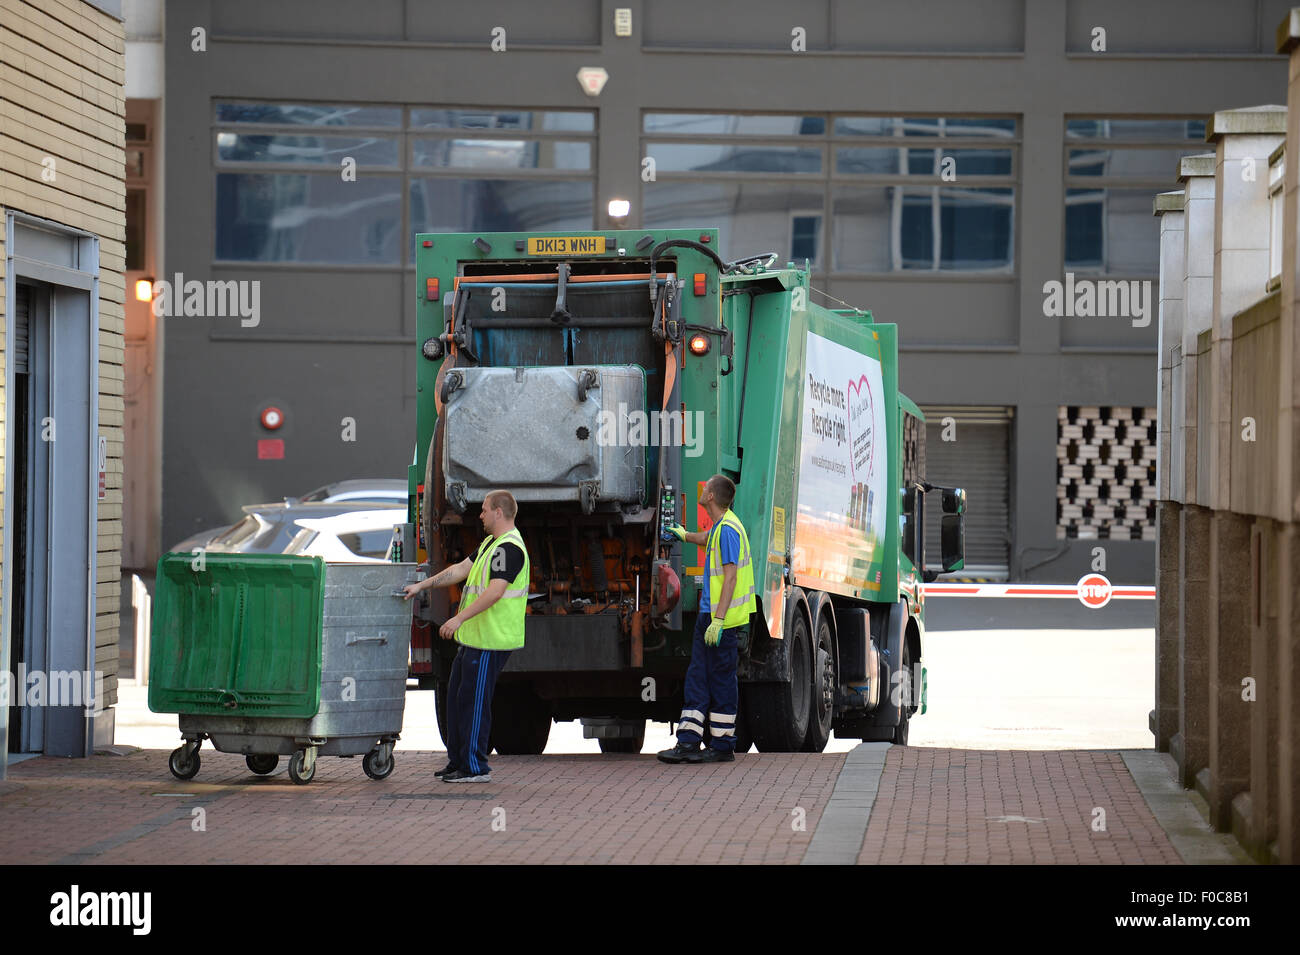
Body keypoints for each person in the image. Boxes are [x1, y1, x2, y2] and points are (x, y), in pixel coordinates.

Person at [403, 489, 530, 783]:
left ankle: (474, 767)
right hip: (475, 639)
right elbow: (460, 570)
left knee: (473, 702)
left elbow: (496, 591)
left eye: (485, 510)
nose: (481, 515)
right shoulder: (490, 544)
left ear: (499, 512)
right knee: (458, 699)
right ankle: (458, 761)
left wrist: (458, 618)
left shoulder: (508, 548)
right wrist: (421, 587)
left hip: (490, 640)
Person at [657, 474, 756, 764]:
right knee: (698, 677)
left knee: (721, 680)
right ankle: (688, 741)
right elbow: (706, 539)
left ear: (711, 496)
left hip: (721, 623)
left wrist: (719, 619)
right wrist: (683, 535)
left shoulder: (728, 530)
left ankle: (723, 746)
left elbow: (730, 578)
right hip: (709, 618)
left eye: (707, 486)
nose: (704, 488)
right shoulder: (720, 527)